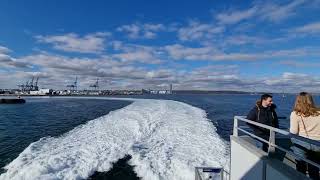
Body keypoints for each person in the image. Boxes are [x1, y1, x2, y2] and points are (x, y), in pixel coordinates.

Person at [290, 92, 320, 179]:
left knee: (300, 166)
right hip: (317, 143)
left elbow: (294, 131)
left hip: (301, 142)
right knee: (314, 168)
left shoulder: (295, 114)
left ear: (298, 101)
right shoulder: (319, 112)